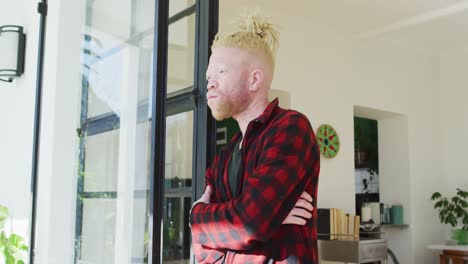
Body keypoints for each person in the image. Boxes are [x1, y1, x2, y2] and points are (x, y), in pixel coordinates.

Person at [190, 13, 320, 264]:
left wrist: (199, 216)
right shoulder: (224, 157)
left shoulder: (291, 128)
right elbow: (204, 252)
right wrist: (267, 217)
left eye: (221, 72)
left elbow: (249, 224)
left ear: (254, 79)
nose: (210, 83)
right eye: (209, 76)